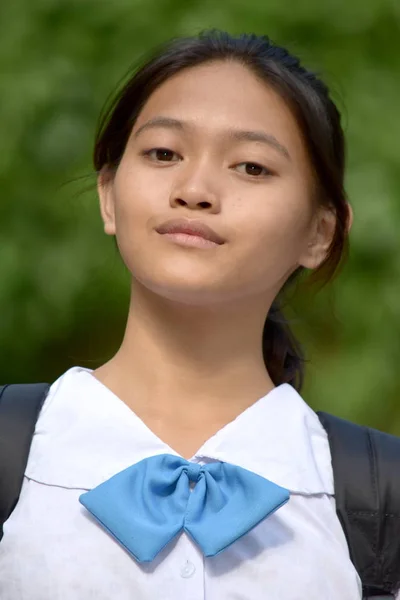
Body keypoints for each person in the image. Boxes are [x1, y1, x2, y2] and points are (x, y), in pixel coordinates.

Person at [0, 29, 370, 599]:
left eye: (250, 167)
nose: (195, 189)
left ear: (321, 232)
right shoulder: (12, 450)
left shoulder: (377, 496)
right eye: (163, 154)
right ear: (108, 194)